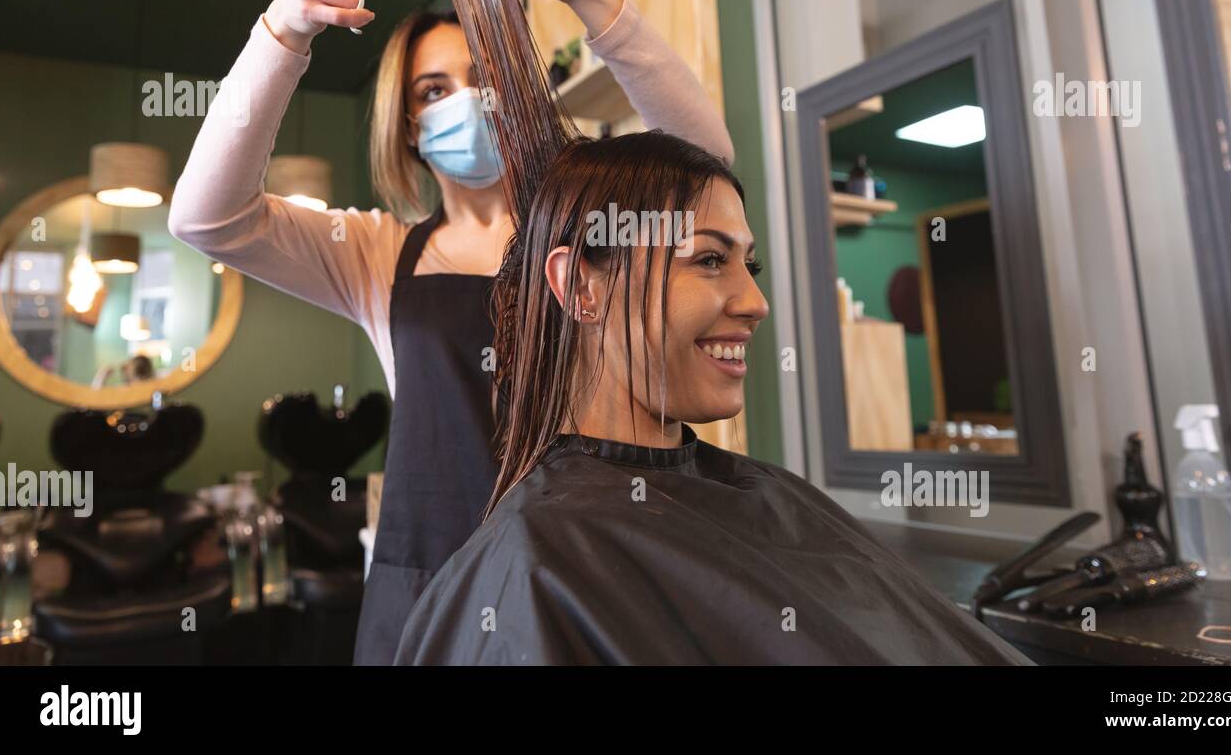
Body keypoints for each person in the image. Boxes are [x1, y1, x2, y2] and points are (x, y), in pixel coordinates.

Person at [168, 0, 732, 664]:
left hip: (577, 574)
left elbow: (708, 167)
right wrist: (284, 34)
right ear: (405, 124)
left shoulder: (599, 226)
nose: (462, 103)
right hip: (420, 587)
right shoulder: (370, 253)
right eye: (433, 89)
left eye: (482, 79)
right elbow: (203, 216)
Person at [394, 131, 1033, 665]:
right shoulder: (534, 566)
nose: (755, 303)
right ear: (582, 286)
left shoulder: (765, 497)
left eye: (746, 266)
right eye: (707, 260)